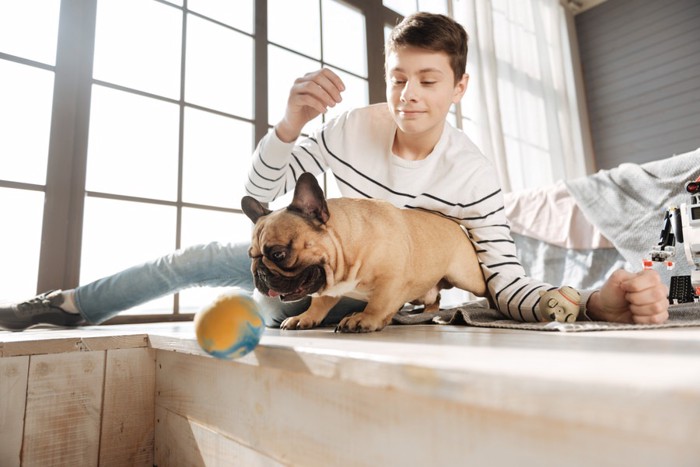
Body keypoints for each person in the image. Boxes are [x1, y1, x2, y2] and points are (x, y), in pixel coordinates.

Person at [0, 12, 669, 332]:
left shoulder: (472, 175)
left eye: (428, 81)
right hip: (303, 257)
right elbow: (261, 203)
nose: (408, 94)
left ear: (459, 87)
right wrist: (289, 125)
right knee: (194, 257)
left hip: (368, 286)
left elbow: (501, 276)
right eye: (398, 76)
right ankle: (68, 303)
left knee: (267, 316)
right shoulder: (351, 128)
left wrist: (585, 303)